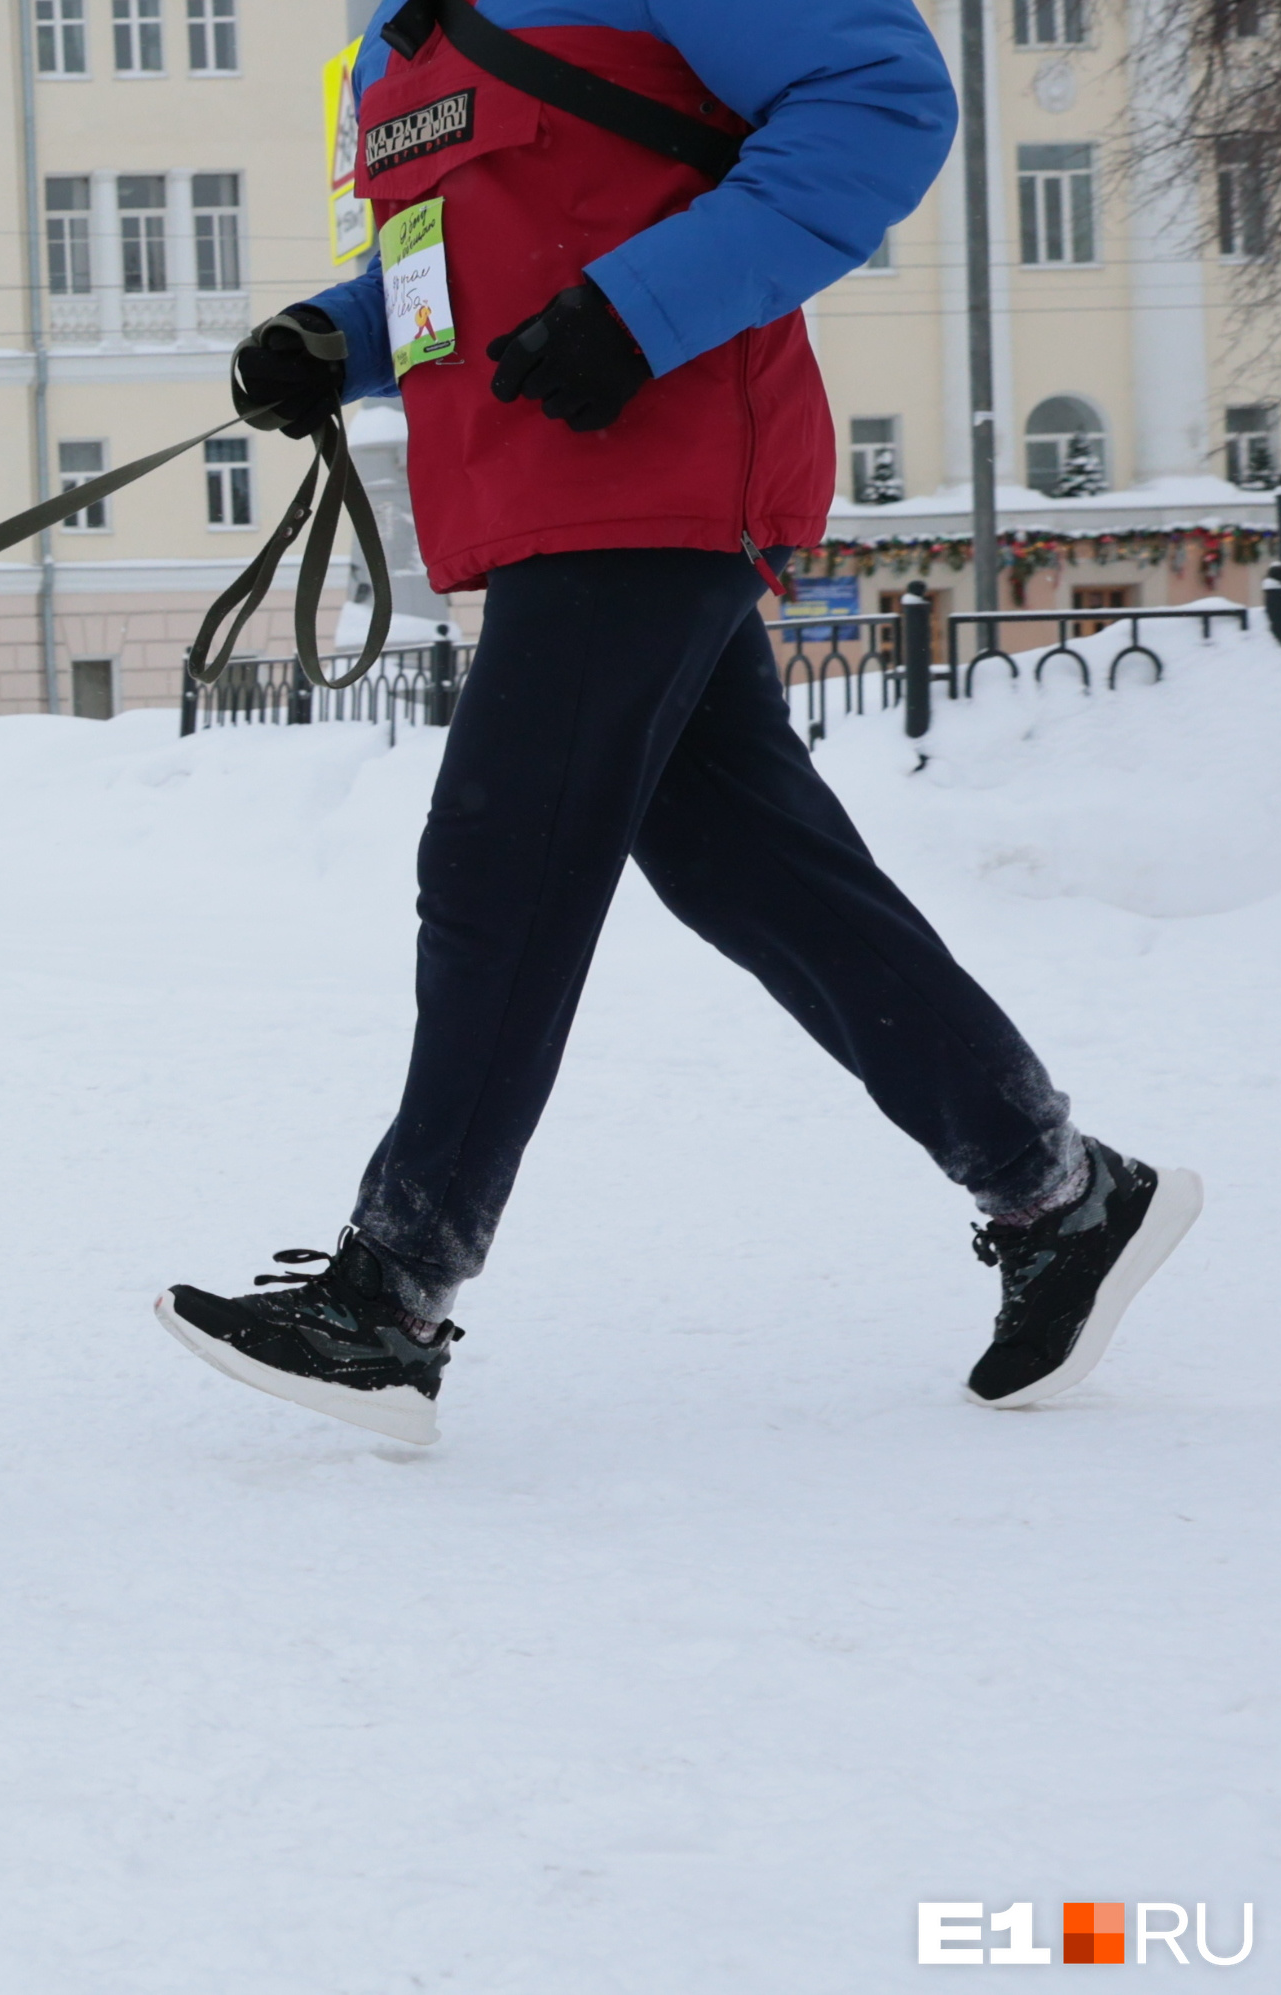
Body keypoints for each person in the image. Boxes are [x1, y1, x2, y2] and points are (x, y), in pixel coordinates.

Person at [155, 0, 1201, 1446]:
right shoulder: (400, 47)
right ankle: (1061, 1194)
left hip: (661, 466)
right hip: (539, 502)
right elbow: (447, 268)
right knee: (751, 868)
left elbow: (881, 102)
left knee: (500, 856)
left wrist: (642, 308)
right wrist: (335, 340)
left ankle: (391, 1298)